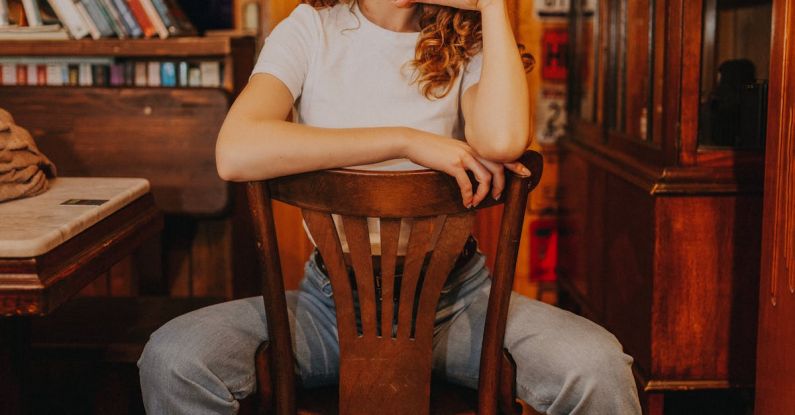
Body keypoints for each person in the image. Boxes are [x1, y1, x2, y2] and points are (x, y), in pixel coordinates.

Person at [137, 0, 642, 413]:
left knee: (597, 368)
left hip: (461, 305)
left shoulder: (469, 40)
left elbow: (504, 140)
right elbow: (235, 150)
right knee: (175, 357)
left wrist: (492, 5)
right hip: (329, 305)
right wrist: (404, 141)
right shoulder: (310, 30)